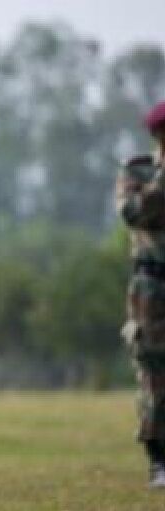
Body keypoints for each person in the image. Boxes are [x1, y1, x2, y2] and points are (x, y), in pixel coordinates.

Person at [116, 100, 165, 490]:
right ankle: (159, 460)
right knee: (154, 372)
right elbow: (134, 214)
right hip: (153, 288)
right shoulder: (139, 171)